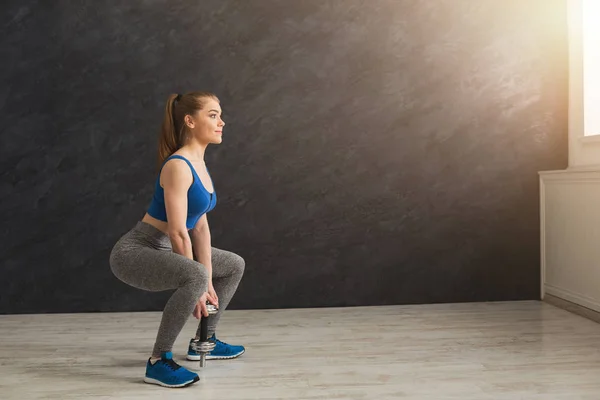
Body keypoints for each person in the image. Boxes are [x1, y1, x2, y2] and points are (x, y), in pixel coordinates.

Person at [109, 91, 246, 388]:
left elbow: (200, 227)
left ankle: (204, 339)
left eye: (220, 115)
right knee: (194, 273)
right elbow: (177, 232)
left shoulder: (199, 163)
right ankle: (158, 361)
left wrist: (208, 279)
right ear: (190, 120)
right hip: (136, 251)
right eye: (212, 115)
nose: (222, 121)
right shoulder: (177, 166)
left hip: (167, 246)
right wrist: (198, 284)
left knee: (233, 264)